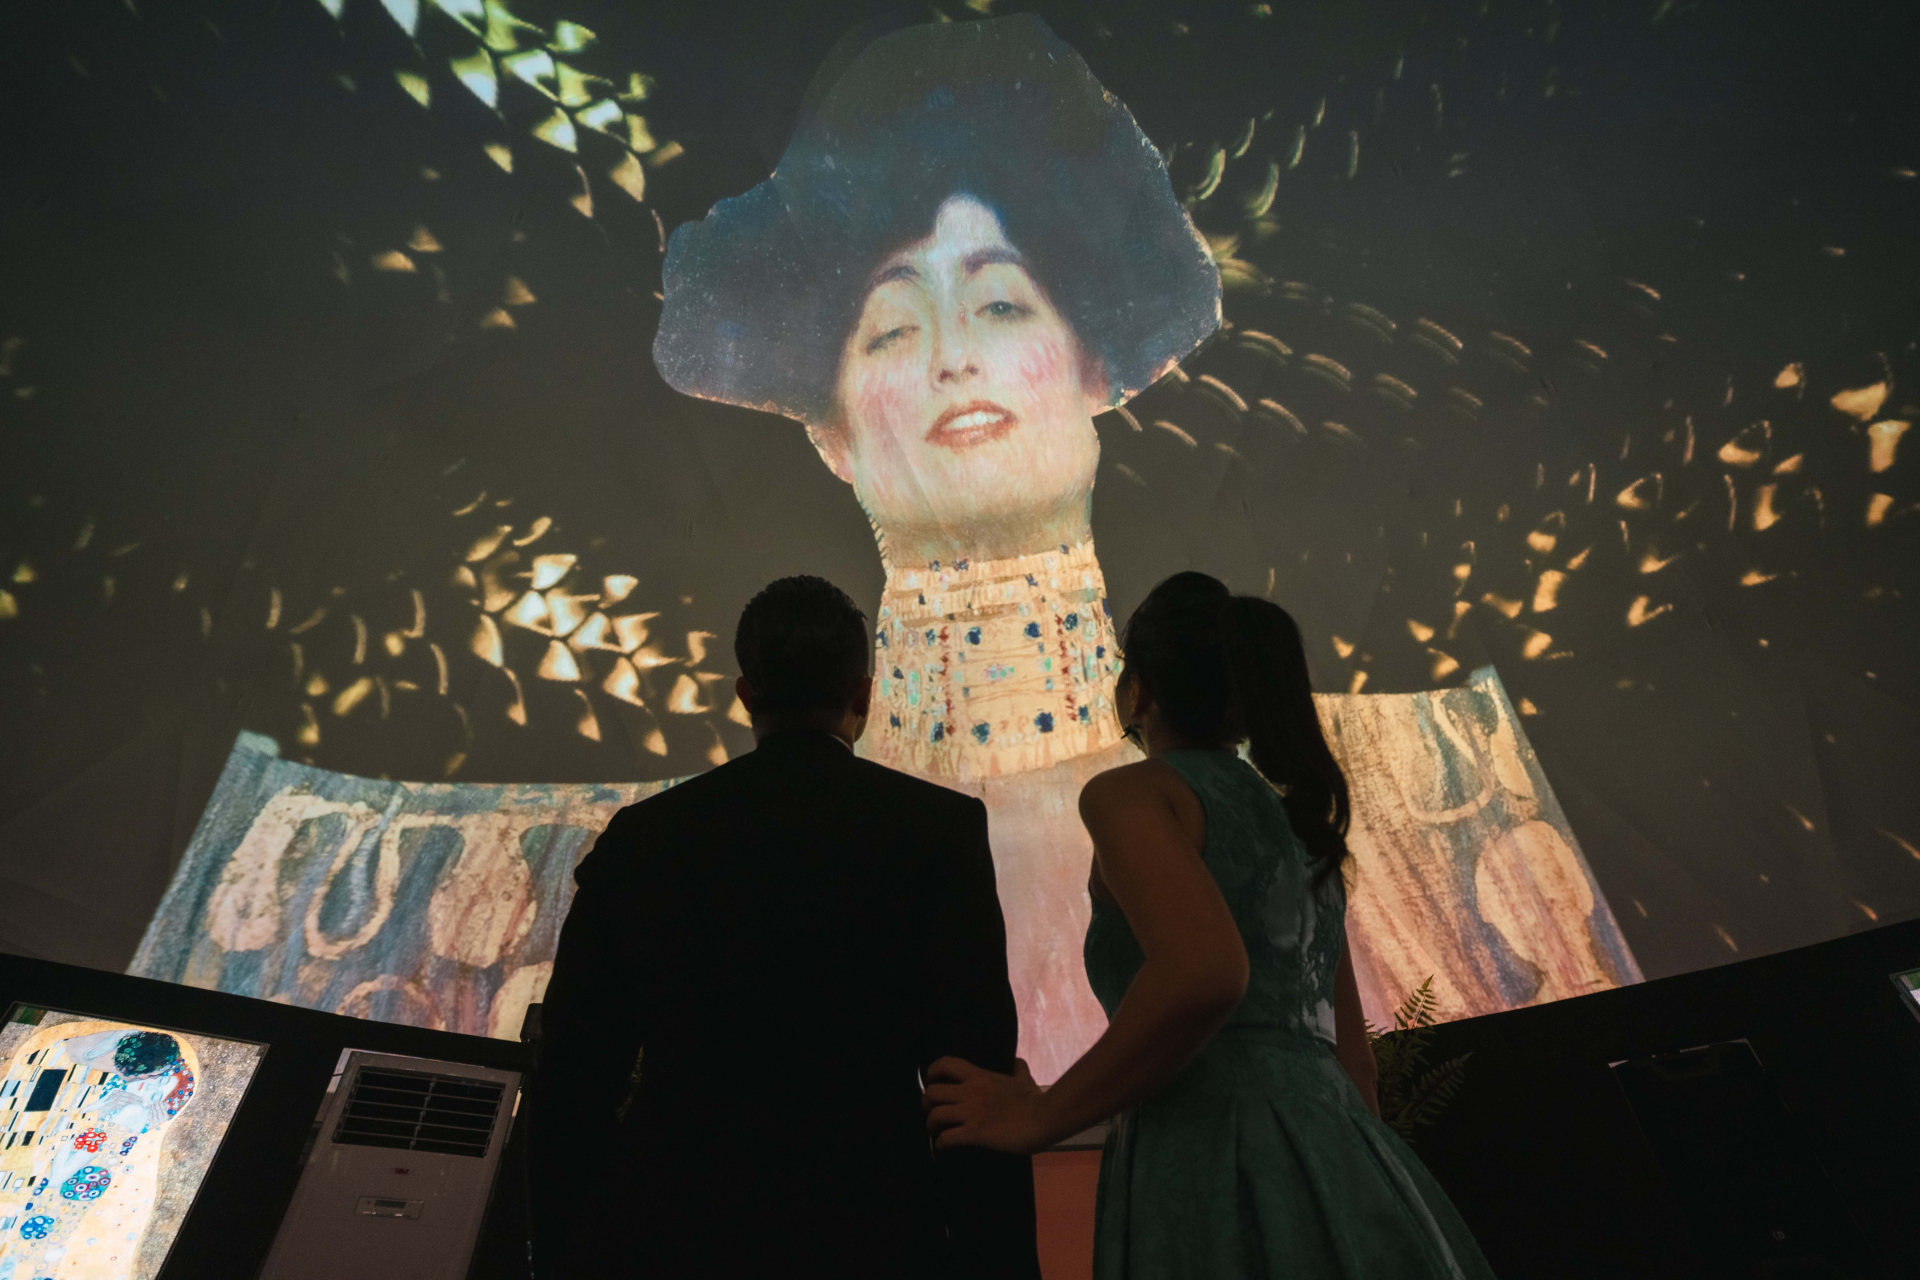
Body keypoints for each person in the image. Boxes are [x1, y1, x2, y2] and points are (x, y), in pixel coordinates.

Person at [654, 13, 1637, 1085]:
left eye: (999, 303)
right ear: (831, 432)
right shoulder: (705, 845)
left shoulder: (1438, 778)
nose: (952, 358)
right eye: (892, 327)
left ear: (1095, 367)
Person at [922, 571, 1497, 1278]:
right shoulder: (1299, 825)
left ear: (1139, 693)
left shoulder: (1133, 796)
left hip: (1210, 1155)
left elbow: (1203, 972)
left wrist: (1041, 1116)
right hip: (1345, 1158)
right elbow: (1358, 1066)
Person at [528, 575, 1041, 1279]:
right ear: (863, 695)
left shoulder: (642, 838)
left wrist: (558, 1252)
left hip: (672, 1229)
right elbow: (971, 1083)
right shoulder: (937, 831)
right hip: (870, 1228)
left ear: (746, 694)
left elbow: (574, 1074)